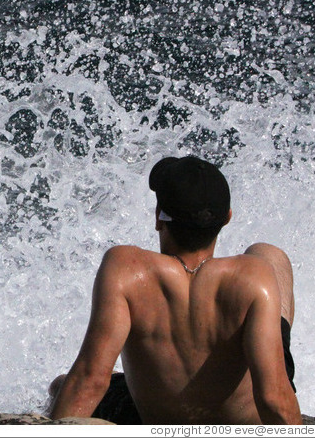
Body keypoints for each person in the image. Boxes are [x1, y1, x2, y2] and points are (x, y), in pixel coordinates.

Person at [48, 155, 302, 424]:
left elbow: (90, 379)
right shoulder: (254, 276)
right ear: (227, 219)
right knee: (269, 254)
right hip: (241, 422)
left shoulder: (125, 269)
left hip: (155, 418)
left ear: (159, 217)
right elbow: (273, 396)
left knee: (60, 386)